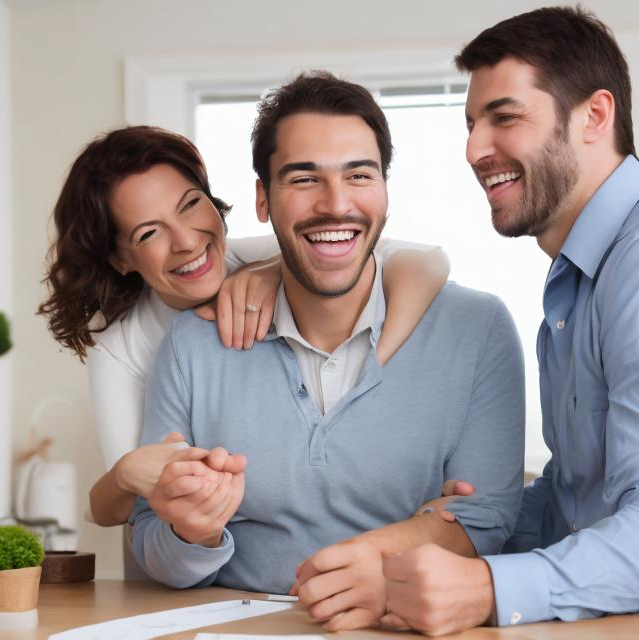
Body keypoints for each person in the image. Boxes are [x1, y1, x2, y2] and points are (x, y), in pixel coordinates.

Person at [130, 71, 525, 629]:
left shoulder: (478, 329)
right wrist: (192, 529)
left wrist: (387, 555)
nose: (336, 204)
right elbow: (150, 540)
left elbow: (486, 517)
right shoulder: (194, 346)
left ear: (385, 189)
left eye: (359, 175)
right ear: (263, 200)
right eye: (304, 179)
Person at [38, 125, 449, 532]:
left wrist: (277, 269)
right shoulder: (120, 343)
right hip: (179, 551)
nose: (186, 241)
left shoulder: (267, 254)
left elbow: (427, 262)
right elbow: (118, 506)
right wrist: (129, 474)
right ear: (119, 258)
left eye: (190, 204)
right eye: (149, 232)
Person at [380, 6, 639, 635]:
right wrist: (468, 526)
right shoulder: (577, 273)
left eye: (505, 117)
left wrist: (485, 587)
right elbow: (583, 498)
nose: (473, 149)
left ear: (594, 116)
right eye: (471, 124)